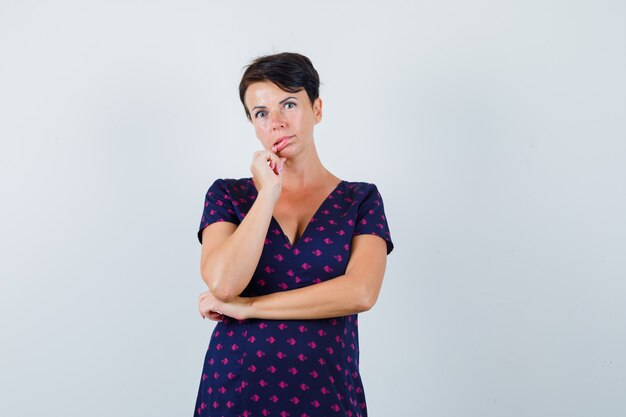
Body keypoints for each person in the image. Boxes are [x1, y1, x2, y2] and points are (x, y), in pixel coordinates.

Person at [194, 52, 394, 417]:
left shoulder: (360, 199)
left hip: (328, 394)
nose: (277, 122)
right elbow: (223, 284)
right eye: (261, 113)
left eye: (289, 104)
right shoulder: (228, 195)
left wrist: (250, 307)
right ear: (252, 124)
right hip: (235, 392)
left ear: (317, 109)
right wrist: (267, 194)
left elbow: (360, 292)